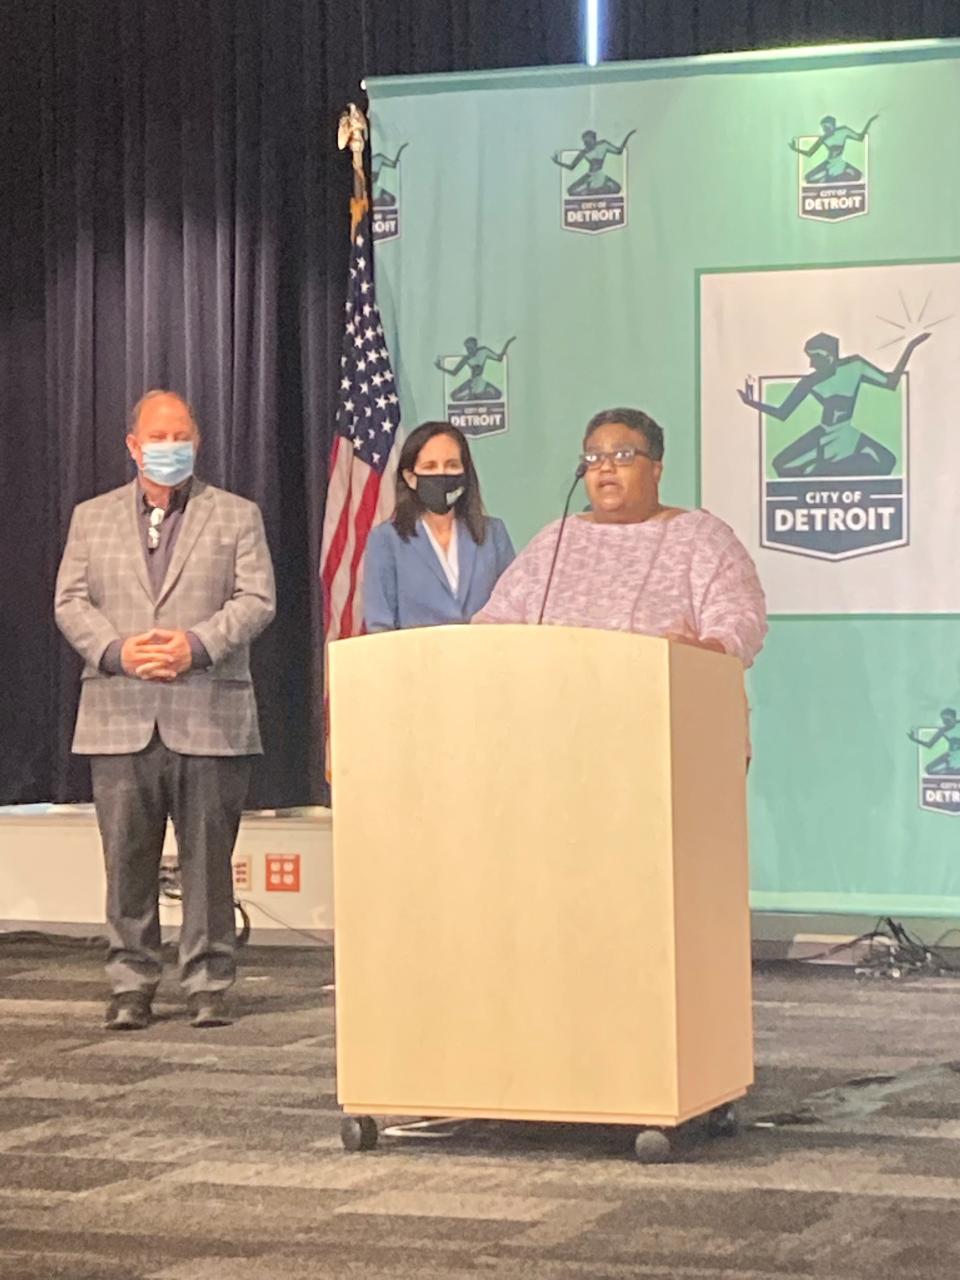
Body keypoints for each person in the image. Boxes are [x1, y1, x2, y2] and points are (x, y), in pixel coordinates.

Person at [54, 390, 276, 1032]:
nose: (170, 447)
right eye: (158, 436)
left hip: (209, 711)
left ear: (197, 441)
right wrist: (118, 651)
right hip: (120, 710)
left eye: (181, 436)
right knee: (127, 860)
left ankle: (208, 982)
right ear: (133, 445)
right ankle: (131, 983)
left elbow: (258, 599)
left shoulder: (237, 515)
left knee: (209, 863)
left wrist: (197, 645)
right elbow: (69, 602)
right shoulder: (90, 518)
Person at [472, 407, 766, 704]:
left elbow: (740, 620)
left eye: (623, 455)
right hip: (556, 716)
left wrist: (707, 651)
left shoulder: (702, 537)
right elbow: (493, 624)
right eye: (593, 457)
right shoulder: (553, 540)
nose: (605, 467)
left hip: (667, 715)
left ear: (656, 469)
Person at [363, 421, 514, 632]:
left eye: (452, 465)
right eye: (430, 467)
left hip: (485, 660)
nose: (442, 474)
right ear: (410, 478)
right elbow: (379, 625)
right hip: (414, 662)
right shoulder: (386, 540)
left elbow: (514, 611)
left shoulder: (494, 534)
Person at [738, 330, 929, 478]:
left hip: (847, 433)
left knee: (887, 461)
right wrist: (751, 402)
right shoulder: (810, 381)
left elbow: (890, 382)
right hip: (824, 433)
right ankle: (825, 469)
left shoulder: (855, 366)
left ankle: (833, 466)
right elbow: (782, 413)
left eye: (814, 357)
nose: (811, 364)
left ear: (828, 356)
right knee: (781, 465)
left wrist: (910, 347)